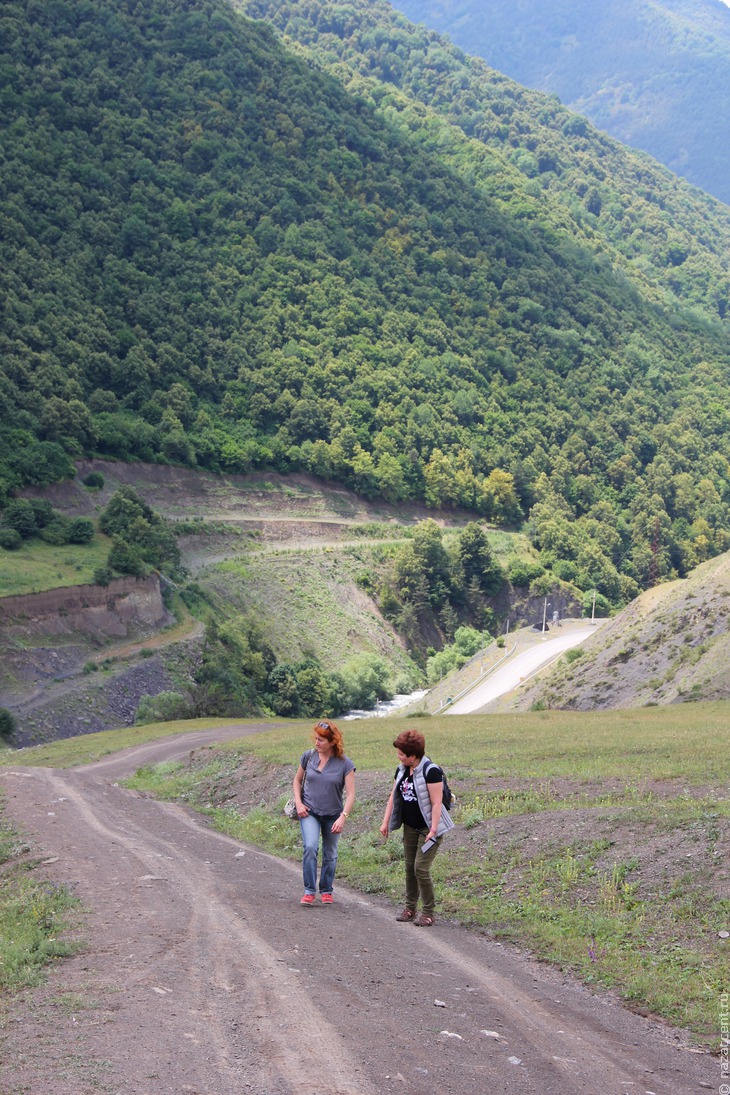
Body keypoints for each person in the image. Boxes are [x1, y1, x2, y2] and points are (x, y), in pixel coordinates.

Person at [379, 729, 454, 926]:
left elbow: (437, 803)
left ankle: (428, 912)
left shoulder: (432, 771)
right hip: (410, 827)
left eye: (402, 754)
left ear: (413, 756)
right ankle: (410, 908)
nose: (399, 756)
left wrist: (433, 830)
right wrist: (385, 821)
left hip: (429, 828)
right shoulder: (402, 769)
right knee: (409, 868)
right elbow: (393, 796)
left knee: (420, 868)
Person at [292, 719, 356, 906]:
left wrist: (343, 817)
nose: (316, 743)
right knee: (310, 847)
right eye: (316, 738)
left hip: (333, 814)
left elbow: (351, 794)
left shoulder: (345, 764)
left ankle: (326, 889)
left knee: (331, 854)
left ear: (332, 742)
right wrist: (299, 803)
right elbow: (297, 781)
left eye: (321, 740)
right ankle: (309, 891)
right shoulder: (308, 756)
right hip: (309, 811)